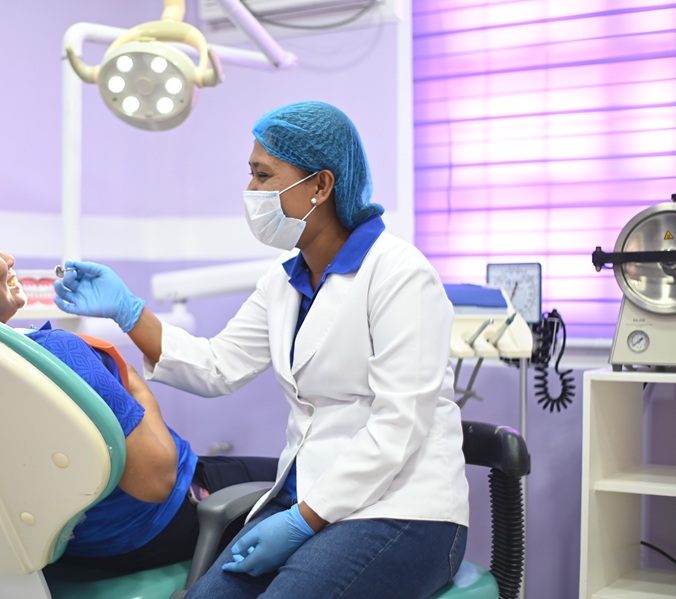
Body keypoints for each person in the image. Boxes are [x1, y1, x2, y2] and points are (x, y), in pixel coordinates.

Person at [53, 100, 469, 598]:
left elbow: (399, 425)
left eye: (263, 175)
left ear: (321, 185)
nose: (251, 192)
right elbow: (216, 367)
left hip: (402, 509)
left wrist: (303, 522)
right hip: (304, 500)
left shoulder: (400, 274)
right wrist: (129, 311)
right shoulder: (283, 282)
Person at [0, 199, 277, 573]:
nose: (9, 258)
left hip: (49, 545)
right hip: (149, 528)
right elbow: (157, 481)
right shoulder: (57, 355)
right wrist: (134, 386)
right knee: (299, 484)